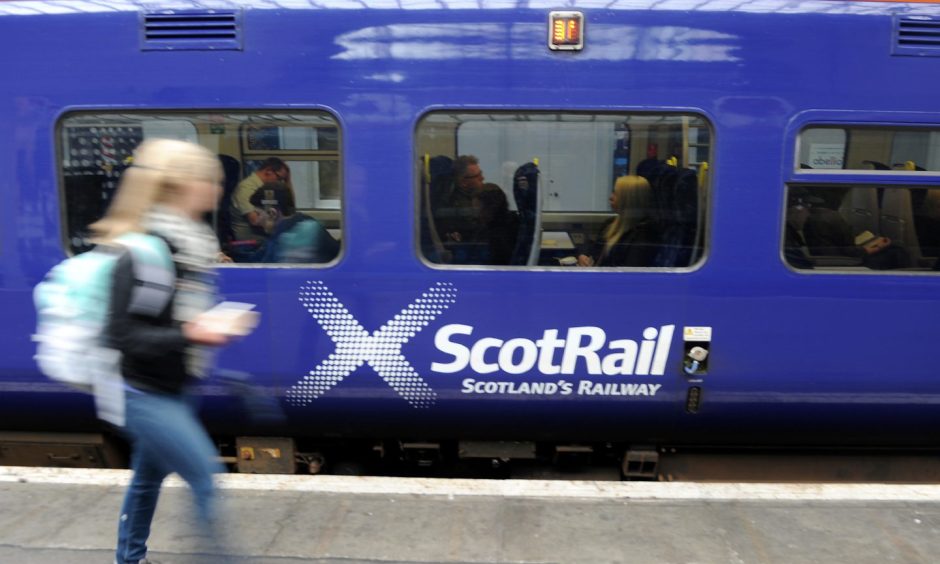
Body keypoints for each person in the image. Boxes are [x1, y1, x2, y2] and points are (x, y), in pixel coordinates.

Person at [94, 139, 239, 564]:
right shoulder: (150, 252)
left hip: (171, 386)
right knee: (206, 478)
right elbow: (123, 334)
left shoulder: (189, 244)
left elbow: (164, 321)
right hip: (143, 392)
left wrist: (200, 330)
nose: (217, 189)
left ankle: (129, 559)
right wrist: (195, 332)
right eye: (210, 180)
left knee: (146, 480)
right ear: (183, 186)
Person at [578, 175, 660, 267]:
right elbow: (594, 246)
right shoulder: (610, 224)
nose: (611, 198)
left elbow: (630, 272)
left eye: (616, 194)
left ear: (628, 200)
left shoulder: (644, 235)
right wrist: (584, 254)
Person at [249, 181, 339, 263]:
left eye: (258, 214)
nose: (257, 221)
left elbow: (260, 273)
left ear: (272, 213)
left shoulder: (281, 241)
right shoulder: (308, 222)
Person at [229, 157, 289, 242]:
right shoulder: (246, 188)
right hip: (249, 238)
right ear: (268, 171)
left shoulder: (264, 189)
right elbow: (254, 220)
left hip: (262, 234)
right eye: (279, 178)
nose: (279, 182)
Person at [436, 155, 485, 244]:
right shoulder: (456, 205)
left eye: (481, 173)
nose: (482, 178)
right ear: (463, 182)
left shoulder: (481, 195)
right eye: (477, 176)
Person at [472, 183, 519, 265]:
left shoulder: (496, 235)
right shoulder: (514, 221)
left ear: (489, 208)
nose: (476, 214)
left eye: (477, 209)